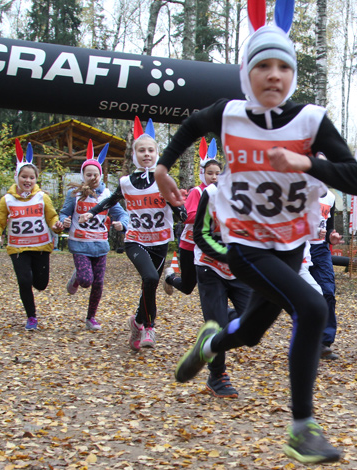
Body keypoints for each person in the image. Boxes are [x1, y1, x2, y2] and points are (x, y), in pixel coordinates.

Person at [163, 1, 357, 462]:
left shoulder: (310, 121)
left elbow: (355, 178)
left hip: (292, 245)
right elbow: (190, 126)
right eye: (263, 66)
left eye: (283, 67)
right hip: (246, 245)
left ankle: (211, 343)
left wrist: (306, 162)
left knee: (251, 333)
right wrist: (161, 165)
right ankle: (302, 429)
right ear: (246, 74)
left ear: (292, 75)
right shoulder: (229, 114)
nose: (274, 75)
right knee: (313, 307)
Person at [80, 117, 185, 350]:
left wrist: (189, 217)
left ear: (157, 153)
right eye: (141, 150)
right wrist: (92, 213)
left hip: (159, 242)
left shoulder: (164, 180)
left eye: (150, 150)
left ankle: (136, 322)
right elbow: (111, 199)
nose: (146, 154)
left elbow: (179, 210)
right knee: (149, 278)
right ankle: (149, 327)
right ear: (134, 154)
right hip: (135, 240)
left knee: (150, 284)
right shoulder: (126, 182)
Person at [190, 156, 252, 398]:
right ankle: (217, 376)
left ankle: (219, 322)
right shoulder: (213, 194)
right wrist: (226, 255)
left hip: (239, 272)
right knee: (216, 325)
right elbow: (200, 234)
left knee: (252, 323)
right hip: (209, 267)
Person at [0, 141, 63, 330]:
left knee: (41, 284)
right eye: (24, 177)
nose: (28, 181)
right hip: (18, 248)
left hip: (41, 247)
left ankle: (34, 304)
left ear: (36, 179)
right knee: (24, 280)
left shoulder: (42, 197)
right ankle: (31, 317)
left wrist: (57, 226)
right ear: (17, 177)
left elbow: (52, 217)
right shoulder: (7, 200)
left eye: (31, 178)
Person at [60, 140, 129, 330]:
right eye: (88, 174)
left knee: (98, 283)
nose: (92, 177)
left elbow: (122, 214)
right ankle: (76, 277)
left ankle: (91, 318)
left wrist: (121, 224)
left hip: (100, 245)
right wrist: (64, 221)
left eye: (95, 174)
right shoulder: (74, 194)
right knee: (85, 281)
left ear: (101, 175)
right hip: (79, 243)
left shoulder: (107, 195)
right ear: (83, 176)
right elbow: (64, 212)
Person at [162, 138, 218, 297]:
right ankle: (170, 277)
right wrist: (210, 216)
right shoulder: (197, 192)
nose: (214, 177)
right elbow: (187, 217)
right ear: (202, 173)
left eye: (217, 174)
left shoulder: (222, 193)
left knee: (213, 281)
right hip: (190, 244)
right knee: (187, 287)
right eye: (210, 173)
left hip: (209, 245)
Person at [309, 189, 343, 360]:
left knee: (328, 291)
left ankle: (324, 343)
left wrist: (331, 236)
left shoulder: (330, 197)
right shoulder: (299, 191)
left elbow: (328, 227)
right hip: (298, 248)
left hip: (320, 250)